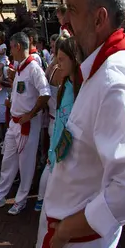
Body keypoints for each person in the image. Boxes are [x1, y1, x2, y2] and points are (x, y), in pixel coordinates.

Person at [37, 0, 125, 248]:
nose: (65, 22)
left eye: (72, 11)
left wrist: (65, 231)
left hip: (77, 240)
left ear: (99, 18)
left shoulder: (112, 81)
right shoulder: (101, 69)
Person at [0, 32, 49, 216]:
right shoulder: (19, 68)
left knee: (26, 164)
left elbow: (45, 93)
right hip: (15, 123)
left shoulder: (34, 68)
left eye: (11, 47)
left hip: (26, 124)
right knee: (8, 162)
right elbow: (23, 92)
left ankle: (20, 201)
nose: (9, 51)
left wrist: (31, 114)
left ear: (18, 46)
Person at [34, 37, 79, 213]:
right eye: (58, 59)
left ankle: (43, 200)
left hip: (60, 129)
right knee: (52, 167)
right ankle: (42, 200)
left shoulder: (53, 71)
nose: (59, 64)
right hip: (59, 131)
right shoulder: (64, 81)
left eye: (62, 59)